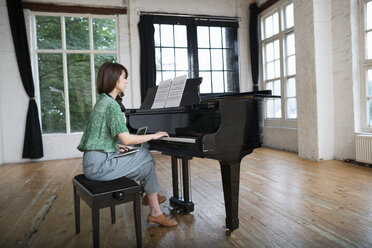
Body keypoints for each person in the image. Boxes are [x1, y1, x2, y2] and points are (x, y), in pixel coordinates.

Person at [77, 62, 177, 227]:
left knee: (146, 166)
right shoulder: (112, 105)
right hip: (99, 167)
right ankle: (151, 193)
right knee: (145, 152)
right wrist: (154, 135)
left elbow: (96, 136)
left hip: (93, 162)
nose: (125, 81)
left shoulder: (101, 102)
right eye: (123, 78)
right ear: (114, 79)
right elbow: (127, 139)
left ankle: (155, 211)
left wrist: (114, 146)